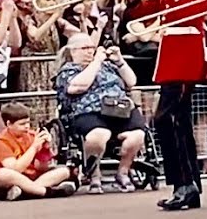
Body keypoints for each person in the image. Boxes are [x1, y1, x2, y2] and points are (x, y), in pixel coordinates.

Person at [149, 0, 207, 211]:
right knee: (178, 121)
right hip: (170, 53)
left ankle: (185, 182)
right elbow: (150, 13)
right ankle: (186, 185)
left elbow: (193, 12)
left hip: (188, 52)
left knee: (166, 118)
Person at [54, 33, 147, 194]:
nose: (90, 51)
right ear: (73, 51)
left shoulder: (109, 66)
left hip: (119, 109)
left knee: (137, 135)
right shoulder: (68, 71)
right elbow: (79, 86)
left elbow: (131, 82)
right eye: (85, 48)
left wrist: (119, 61)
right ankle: (94, 174)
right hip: (89, 112)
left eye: (92, 48)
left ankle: (123, 172)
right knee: (99, 135)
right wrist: (96, 62)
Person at [0, 102, 75, 201]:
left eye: (28, 123)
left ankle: (28, 192)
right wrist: (34, 147)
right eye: (22, 124)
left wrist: (45, 149)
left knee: (63, 171)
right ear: (9, 124)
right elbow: (16, 169)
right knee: (3, 174)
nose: (27, 126)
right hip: (9, 182)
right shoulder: (2, 142)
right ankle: (46, 192)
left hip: (32, 178)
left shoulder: (32, 135)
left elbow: (41, 167)